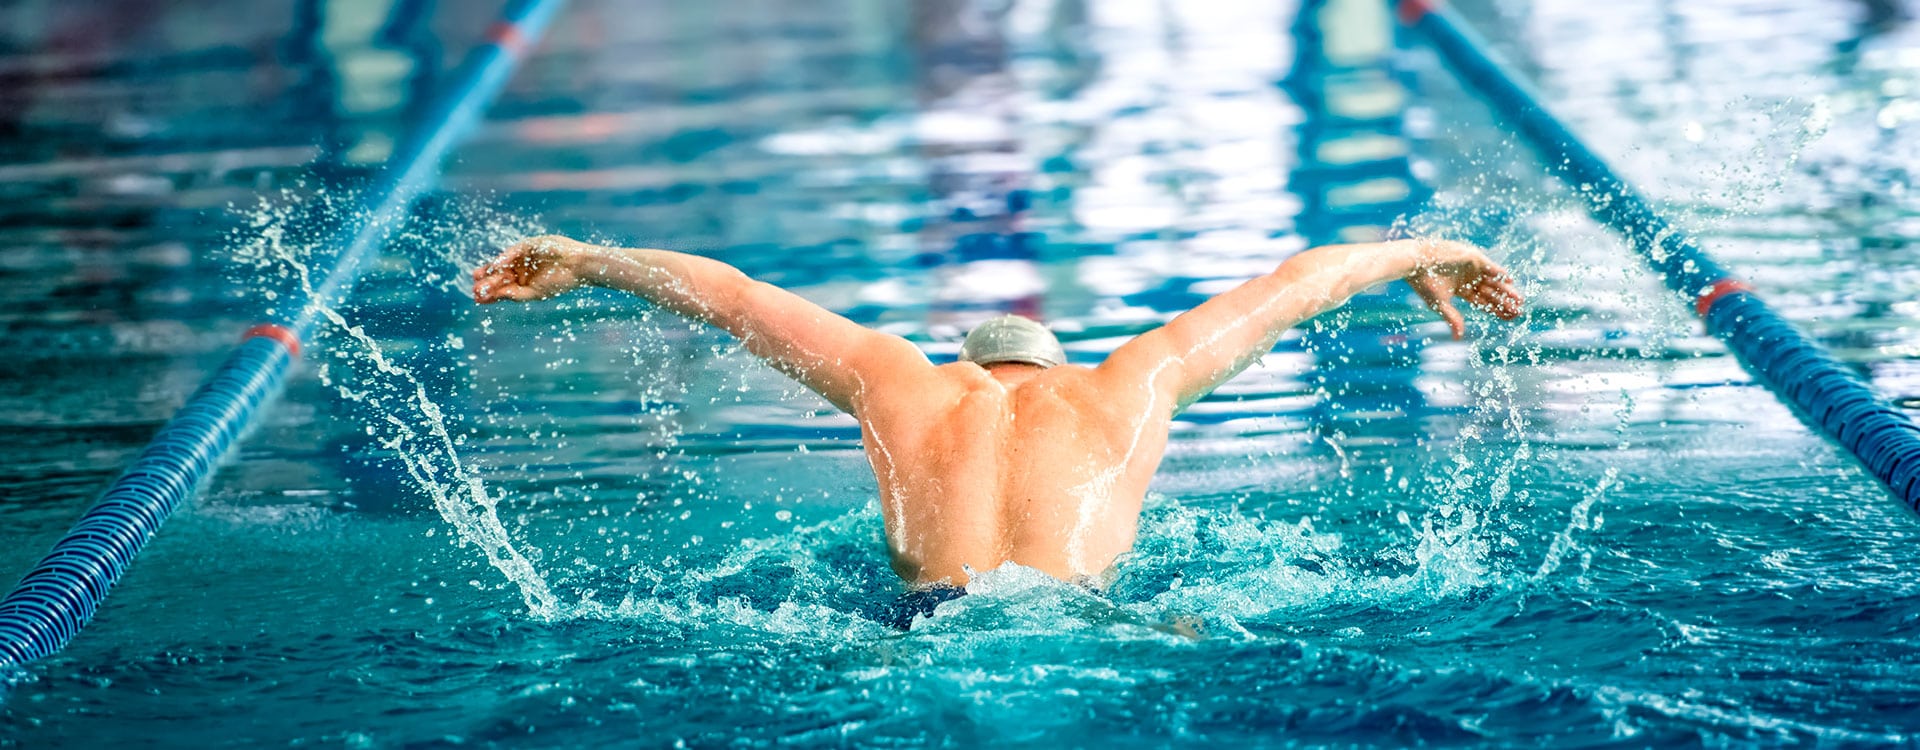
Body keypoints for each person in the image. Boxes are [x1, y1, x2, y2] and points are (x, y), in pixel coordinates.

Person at [472, 236, 1524, 627]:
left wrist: (585, 261)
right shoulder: (1133, 383)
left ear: (969, 366)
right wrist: (1428, 252)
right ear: (1053, 365)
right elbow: (1297, 286)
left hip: (925, 629)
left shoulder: (901, 384)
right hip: (1089, 626)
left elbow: (737, 299)